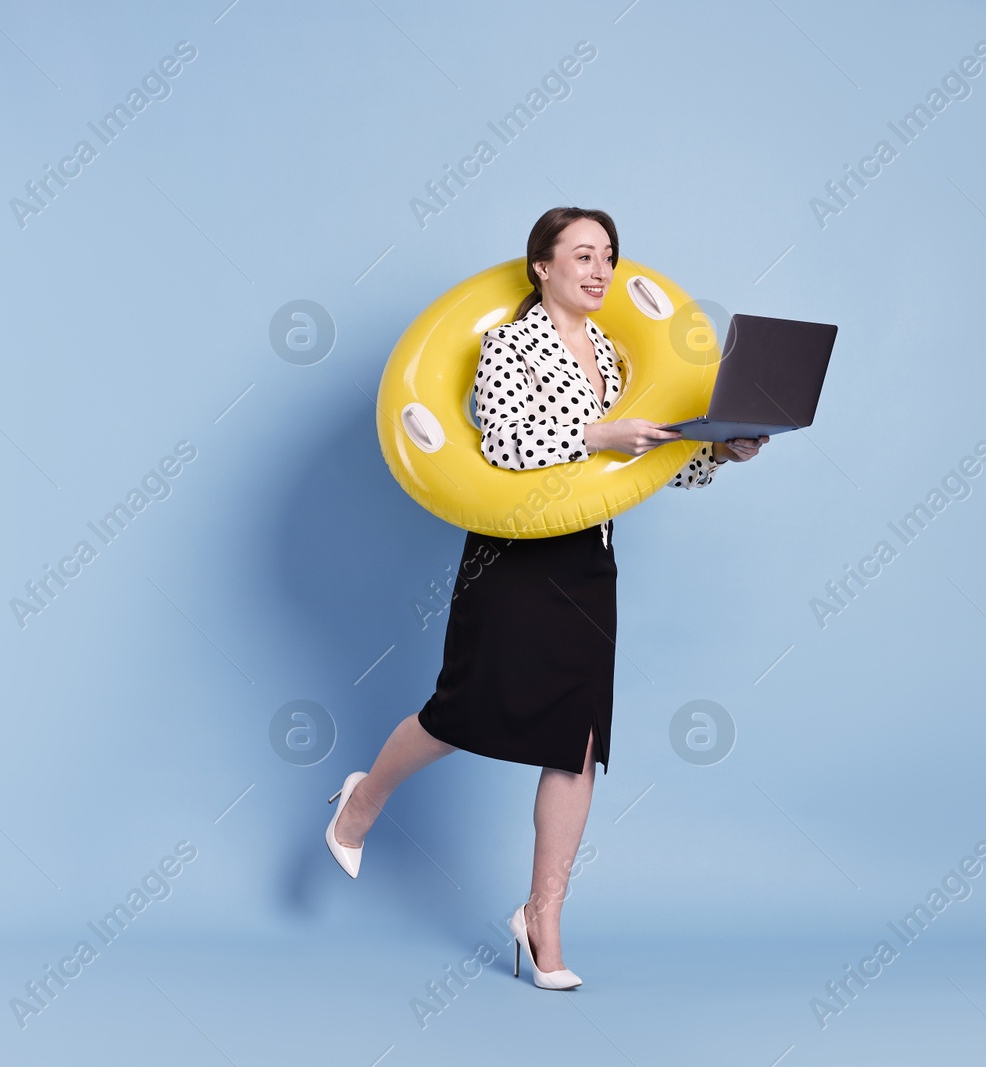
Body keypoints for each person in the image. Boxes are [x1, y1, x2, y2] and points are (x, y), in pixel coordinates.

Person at [325, 207, 766, 989]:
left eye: (608, 257)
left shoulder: (613, 352)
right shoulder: (510, 342)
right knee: (460, 712)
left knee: (579, 739)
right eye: (583, 255)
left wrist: (721, 449)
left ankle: (541, 919)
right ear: (542, 267)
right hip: (511, 554)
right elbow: (503, 442)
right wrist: (601, 434)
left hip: (589, 558)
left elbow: (651, 459)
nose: (600, 270)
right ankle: (363, 800)